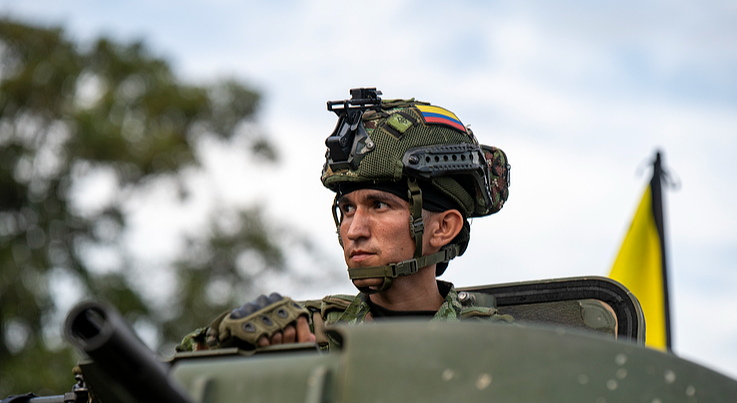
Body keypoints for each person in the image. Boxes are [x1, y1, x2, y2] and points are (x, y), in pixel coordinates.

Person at [178, 88, 511, 352]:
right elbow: (171, 378)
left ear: (443, 227)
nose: (353, 230)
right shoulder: (304, 332)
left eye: (379, 205)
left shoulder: (502, 348)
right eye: (347, 209)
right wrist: (230, 335)